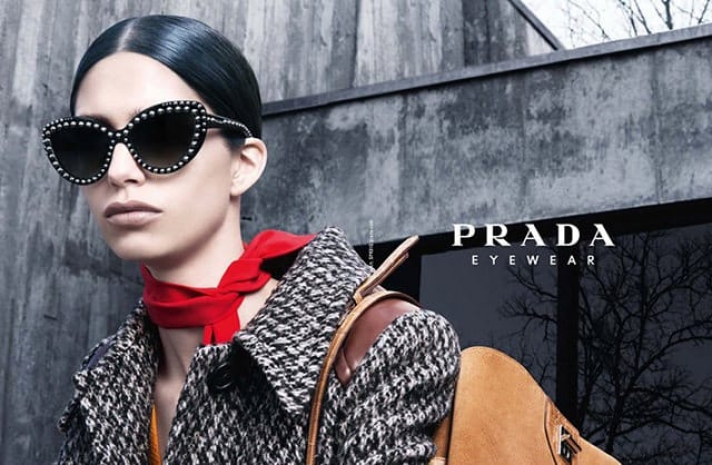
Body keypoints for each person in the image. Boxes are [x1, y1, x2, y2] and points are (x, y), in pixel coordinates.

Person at [44, 14, 460, 464]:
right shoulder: (104, 380)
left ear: (243, 164)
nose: (118, 171)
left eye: (162, 134)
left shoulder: (379, 343)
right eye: (88, 143)